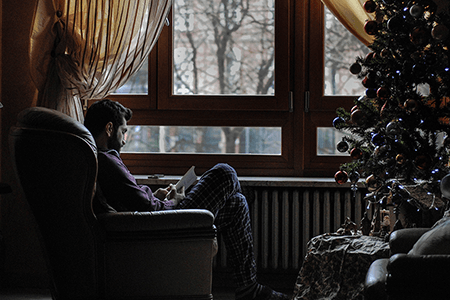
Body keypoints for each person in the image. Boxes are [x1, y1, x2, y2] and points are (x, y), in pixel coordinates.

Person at [84, 99, 290, 300]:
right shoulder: (106, 161)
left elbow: (133, 200)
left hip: (156, 218)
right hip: (163, 225)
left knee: (236, 204)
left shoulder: (99, 160)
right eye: (123, 132)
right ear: (109, 129)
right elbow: (143, 206)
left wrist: (155, 195)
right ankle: (249, 289)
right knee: (224, 173)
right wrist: (175, 202)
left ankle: (248, 288)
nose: (124, 140)